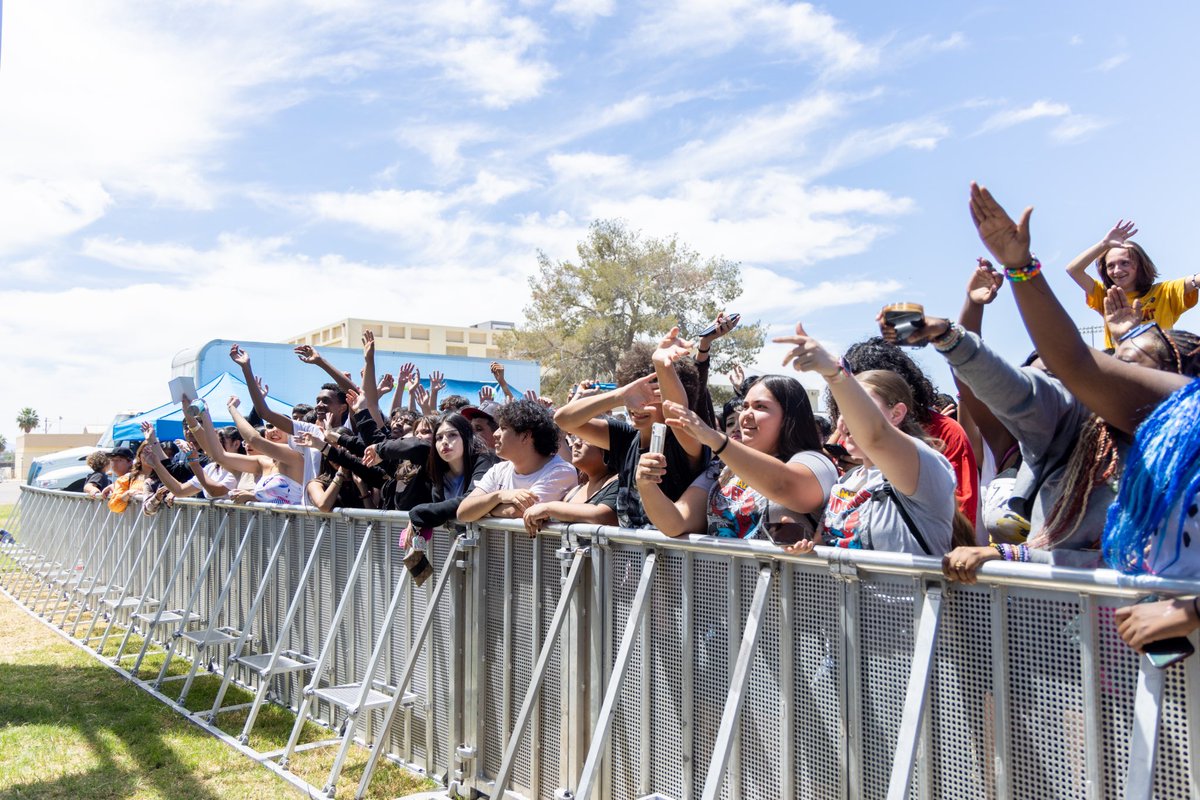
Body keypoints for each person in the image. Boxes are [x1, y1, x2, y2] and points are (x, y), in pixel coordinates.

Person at [963, 181, 1199, 652]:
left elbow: (1075, 361)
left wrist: (1189, 610)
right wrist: (958, 327)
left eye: (1133, 368)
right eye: (1117, 361)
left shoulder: (1185, 420)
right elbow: (1042, 372)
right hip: (1121, 661)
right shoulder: (1085, 434)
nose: (1115, 377)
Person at [776, 324, 963, 555]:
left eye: (861, 407)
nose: (847, 418)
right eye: (843, 407)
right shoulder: (846, 482)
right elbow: (823, 545)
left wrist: (834, 372)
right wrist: (804, 547)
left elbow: (876, 435)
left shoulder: (926, 466)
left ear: (897, 414)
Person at [634, 374, 837, 543]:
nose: (746, 414)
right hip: (725, 588)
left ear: (789, 417)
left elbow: (784, 486)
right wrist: (645, 484)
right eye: (745, 406)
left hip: (785, 588)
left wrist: (716, 440)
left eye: (760, 407)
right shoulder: (723, 470)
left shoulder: (814, 461)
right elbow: (674, 522)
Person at [554, 343, 709, 529]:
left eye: (652, 397)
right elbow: (563, 420)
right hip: (626, 557)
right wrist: (620, 395)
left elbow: (677, 412)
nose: (639, 405)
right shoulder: (624, 438)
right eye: (637, 396)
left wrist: (663, 366)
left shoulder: (685, 442)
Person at [832, 337, 980, 528]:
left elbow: (963, 507)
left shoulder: (945, 431)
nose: (856, 408)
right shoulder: (849, 438)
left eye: (866, 398)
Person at [1064, 220, 1199, 349]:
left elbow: (1195, 280)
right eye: (1110, 266)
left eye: (1125, 263)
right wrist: (1104, 244)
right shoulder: (1107, 296)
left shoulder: (1165, 292)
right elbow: (1073, 270)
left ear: (1141, 265)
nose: (1117, 270)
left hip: (1160, 367)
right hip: (1122, 367)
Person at [457, 400, 579, 522]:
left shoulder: (560, 471)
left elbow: (518, 511)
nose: (496, 434)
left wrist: (482, 510)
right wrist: (499, 496)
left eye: (503, 428)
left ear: (525, 436)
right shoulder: (498, 470)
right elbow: (463, 512)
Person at [523, 433, 619, 536]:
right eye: (574, 438)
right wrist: (544, 519)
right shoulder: (574, 492)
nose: (576, 443)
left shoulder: (620, 483)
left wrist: (548, 509)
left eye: (585, 438)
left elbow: (602, 516)